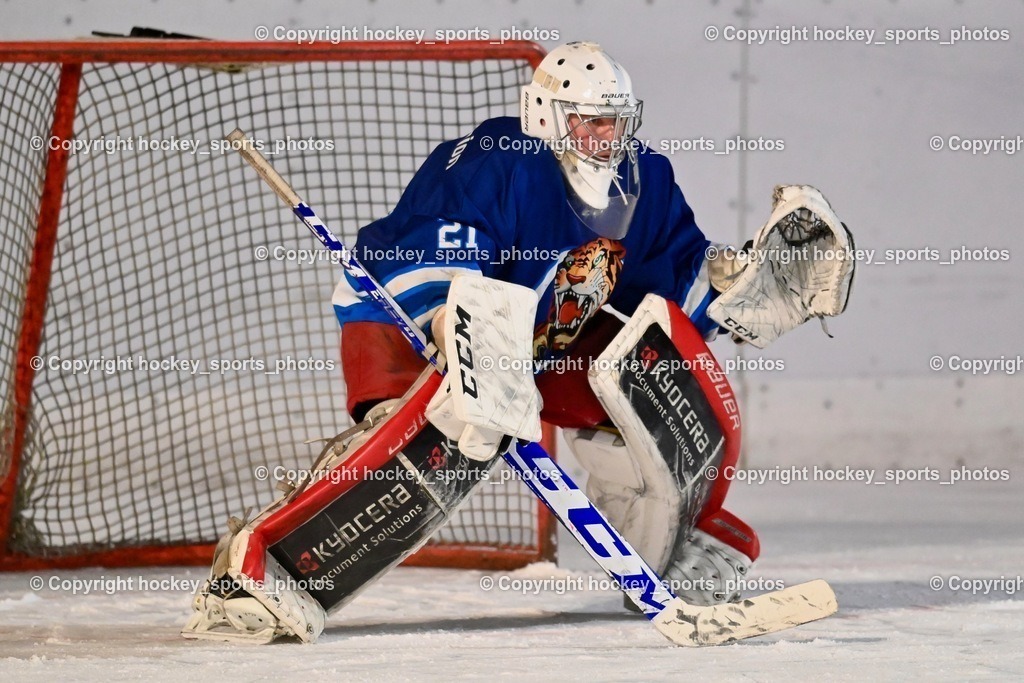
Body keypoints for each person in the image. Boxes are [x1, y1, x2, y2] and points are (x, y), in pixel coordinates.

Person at [334, 40, 854, 606]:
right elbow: (424, 250)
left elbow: (672, 284)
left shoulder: (643, 178)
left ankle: (664, 546)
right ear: (545, 116)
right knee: (437, 433)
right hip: (408, 323)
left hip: (535, 352)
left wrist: (738, 287)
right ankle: (306, 544)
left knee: (650, 373)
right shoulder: (499, 158)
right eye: (591, 121)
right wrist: (451, 328)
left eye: (616, 121)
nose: (607, 136)